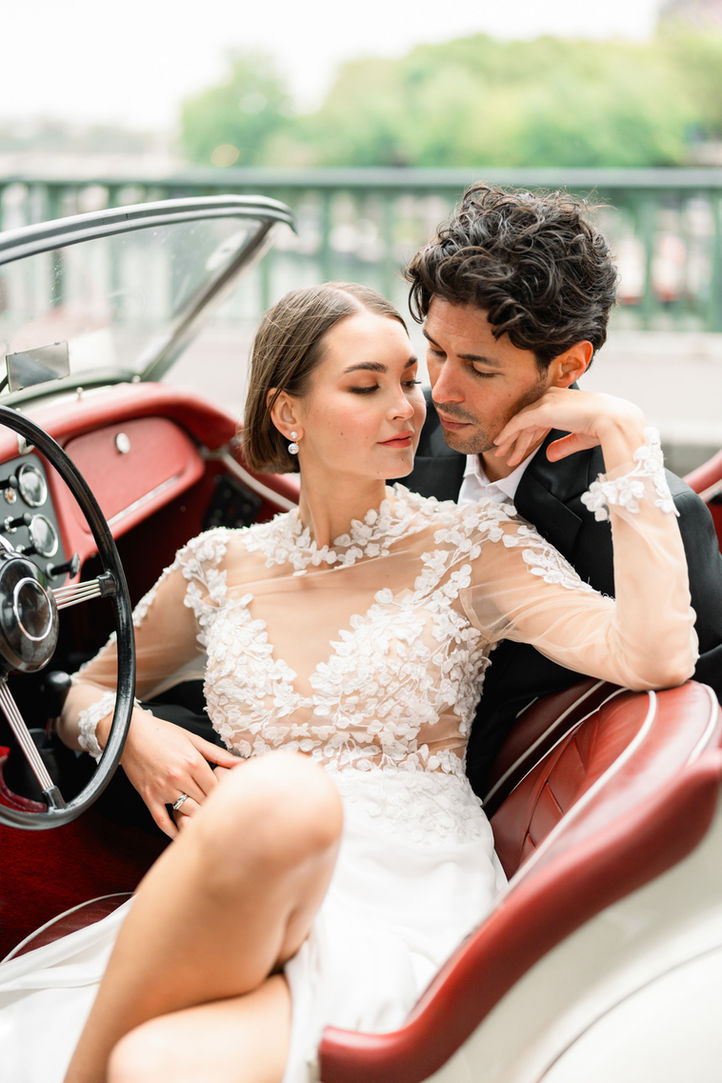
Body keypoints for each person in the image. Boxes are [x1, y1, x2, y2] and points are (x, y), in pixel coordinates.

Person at [0, 282, 697, 1083]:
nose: (409, 405)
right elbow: (83, 694)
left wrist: (625, 435)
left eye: (409, 378)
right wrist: (138, 735)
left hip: (402, 889)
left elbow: (655, 655)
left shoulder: (473, 548)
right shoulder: (219, 567)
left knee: (161, 1055)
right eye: (367, 386)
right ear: (287, 414)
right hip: (242, 875)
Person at [402, 183, 722, 796]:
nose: (441, 389)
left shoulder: (661, 516)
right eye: (436, 351)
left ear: (570, 366)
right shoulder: (401, 433)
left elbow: (693, 732)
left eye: (478, 367)